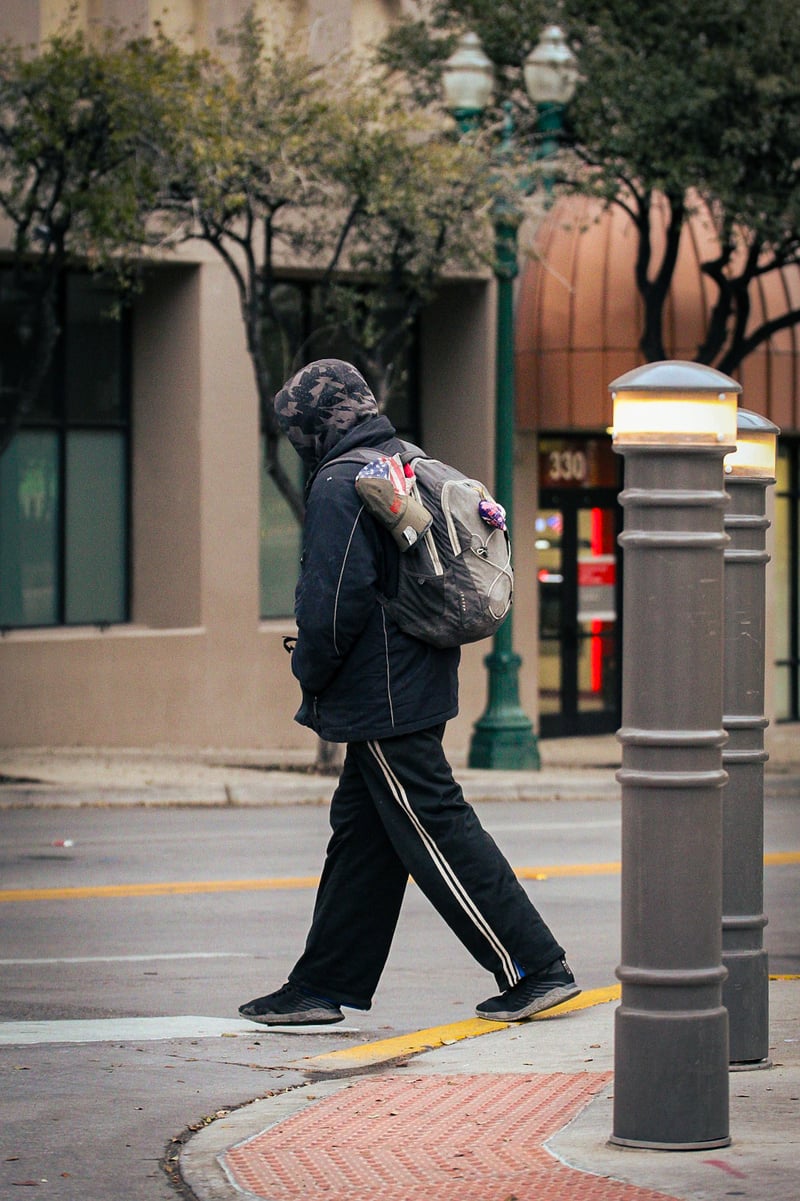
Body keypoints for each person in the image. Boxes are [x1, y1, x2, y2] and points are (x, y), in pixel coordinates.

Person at [239, 358, 580, 1026]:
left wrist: (309, 670)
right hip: (414, 675)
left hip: (380, 694)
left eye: (295, 430)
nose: (294, 442)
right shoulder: (400, 459)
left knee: (435, 826)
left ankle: (535, 966)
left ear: (314, 425)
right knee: (361, 838)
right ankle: (321, 984)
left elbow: (332, 601)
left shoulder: (340, 482)